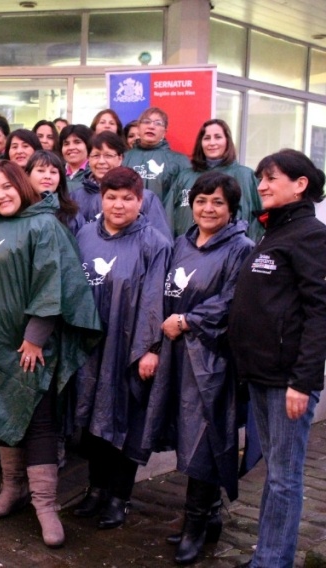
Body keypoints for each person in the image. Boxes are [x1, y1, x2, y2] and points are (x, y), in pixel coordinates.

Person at [0, 161, 100, 547]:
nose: (0, 195)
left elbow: (52, 281)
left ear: (23, 187)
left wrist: (36, 337)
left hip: (28, 345)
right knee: (0, 409)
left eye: (6, 187)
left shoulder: (44, 225)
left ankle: (45, 504)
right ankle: (13, 489)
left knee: (38, 418)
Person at [143, 172, 254, 565]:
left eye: (218, 202)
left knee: (204, 438)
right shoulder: (181, 243)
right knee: (185, 432)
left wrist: (188, 321)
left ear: (232, 207)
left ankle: (195, 525)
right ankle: (207, 517)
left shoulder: (241, 249)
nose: (208, 208)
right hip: (176, 355)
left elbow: (234, 301)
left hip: (211, 361)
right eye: (203, 200)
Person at [228, 150, 326, 568]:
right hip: (262, 374)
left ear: (299, 184)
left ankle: (273, 561)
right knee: (275, 474)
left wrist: (302, 382)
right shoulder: (275, 231)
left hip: (288, 382)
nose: (261, 185)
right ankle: (268, 554)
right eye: (259, 178)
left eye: (270, 178)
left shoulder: (311, 235)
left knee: (285, 478)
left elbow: (320, 312)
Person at [73, 166, 171, 530]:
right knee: (93, 421)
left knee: (124, 421)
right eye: (111, 196)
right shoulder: (85, 234)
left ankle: (119, 497)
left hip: (128, 348)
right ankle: (95, 489)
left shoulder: (154, 243)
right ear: (101, 197)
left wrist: (150, 347)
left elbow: (155, 297)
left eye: (127, 198)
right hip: (91, 346)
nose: (118, 204)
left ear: (140, 200)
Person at [167, 119, 263, 240]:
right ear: (200, 143)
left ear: (227, 141)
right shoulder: (184, 177)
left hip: (233, 252)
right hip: (188, 251)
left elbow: (259, 219)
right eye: (207, 138)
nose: (212, 143)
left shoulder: (245, 176)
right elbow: (168, 217)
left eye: (218, 137)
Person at [72, 132, 172, 241]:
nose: (101, 161)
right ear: (88, 159)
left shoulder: (145, 197)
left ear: (120, 158)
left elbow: (162, 241)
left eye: (108, 155)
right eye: (95, 155)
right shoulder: (76, 197)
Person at [123, 107, 190, 200]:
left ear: (164, 132)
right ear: (139, 128)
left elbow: (184, 199)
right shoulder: (124, 158)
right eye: (146, 122)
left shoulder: (179, 161)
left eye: (158, 123)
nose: (151, 126)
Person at [24, 150, 84, 234]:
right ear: (27, 175)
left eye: (53, 172)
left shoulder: (71, 215)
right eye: (41, 171)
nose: (47, 176)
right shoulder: (19, 210)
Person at [59, 124, 93, 192]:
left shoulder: (95, 173)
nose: (71, 148)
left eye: (77, 142)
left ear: (88, 145)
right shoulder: (56, 172)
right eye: (66, 144)